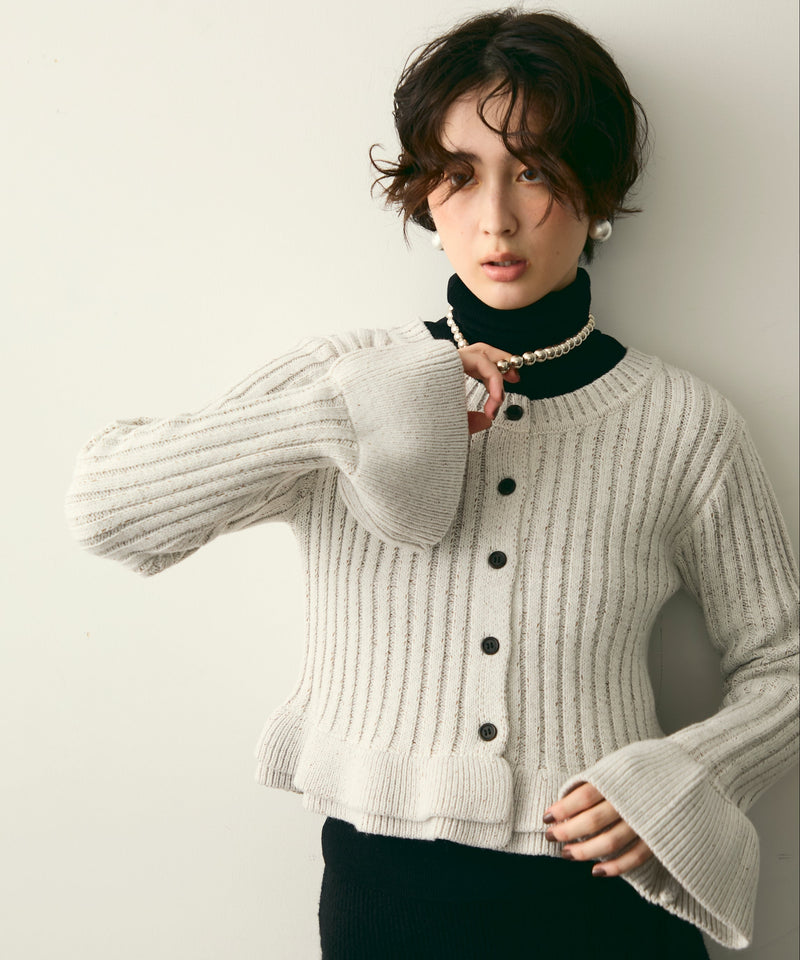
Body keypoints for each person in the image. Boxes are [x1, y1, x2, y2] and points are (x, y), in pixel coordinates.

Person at [65, 8, 798, 959]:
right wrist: (338, 414)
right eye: (458, 175)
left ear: (596, 191)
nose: (495, 218)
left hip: (607, 906)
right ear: (423, 195)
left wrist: (689, 777)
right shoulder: (344, 382)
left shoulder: (682, 423)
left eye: (534, 171)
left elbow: (785, 661)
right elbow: (108, 509)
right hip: (386, 907)